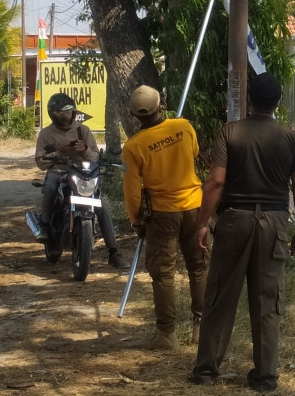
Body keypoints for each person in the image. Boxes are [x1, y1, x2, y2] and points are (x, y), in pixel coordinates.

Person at [190, 73, 295, 393]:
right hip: (274, 224)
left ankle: (205, 371)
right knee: (268, 302)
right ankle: (265, 377)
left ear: (249, 100)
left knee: (220, 297)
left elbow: (215, 182)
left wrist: (202, 223)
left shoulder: (230, 132)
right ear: (278, 103)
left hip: (234, 222)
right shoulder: (291, 137)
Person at [122, 85, 208, 350]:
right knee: (199, 267)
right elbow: (193, 153)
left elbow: (132, 189)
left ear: (135, 116)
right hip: (195, 207)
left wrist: (136, 220)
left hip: (161, 215)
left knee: (163, 275)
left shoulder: (133, 147)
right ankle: (201, 328)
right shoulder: (184, 127)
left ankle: (167, 334)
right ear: (161, 106)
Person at [34, 93, 128, 269]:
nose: (64, 117)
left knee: (102, 206)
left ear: (73, 113)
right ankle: (45, 225)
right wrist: (59, 152)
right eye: (59, 114)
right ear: (52, 115)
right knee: (51, 187)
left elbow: (95, 156)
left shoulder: (82, 131)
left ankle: (114, 251)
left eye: (67, 113)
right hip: (59, 172)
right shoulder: (46, 134)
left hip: (82, 173)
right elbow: (40, 161)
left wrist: (84, 149)